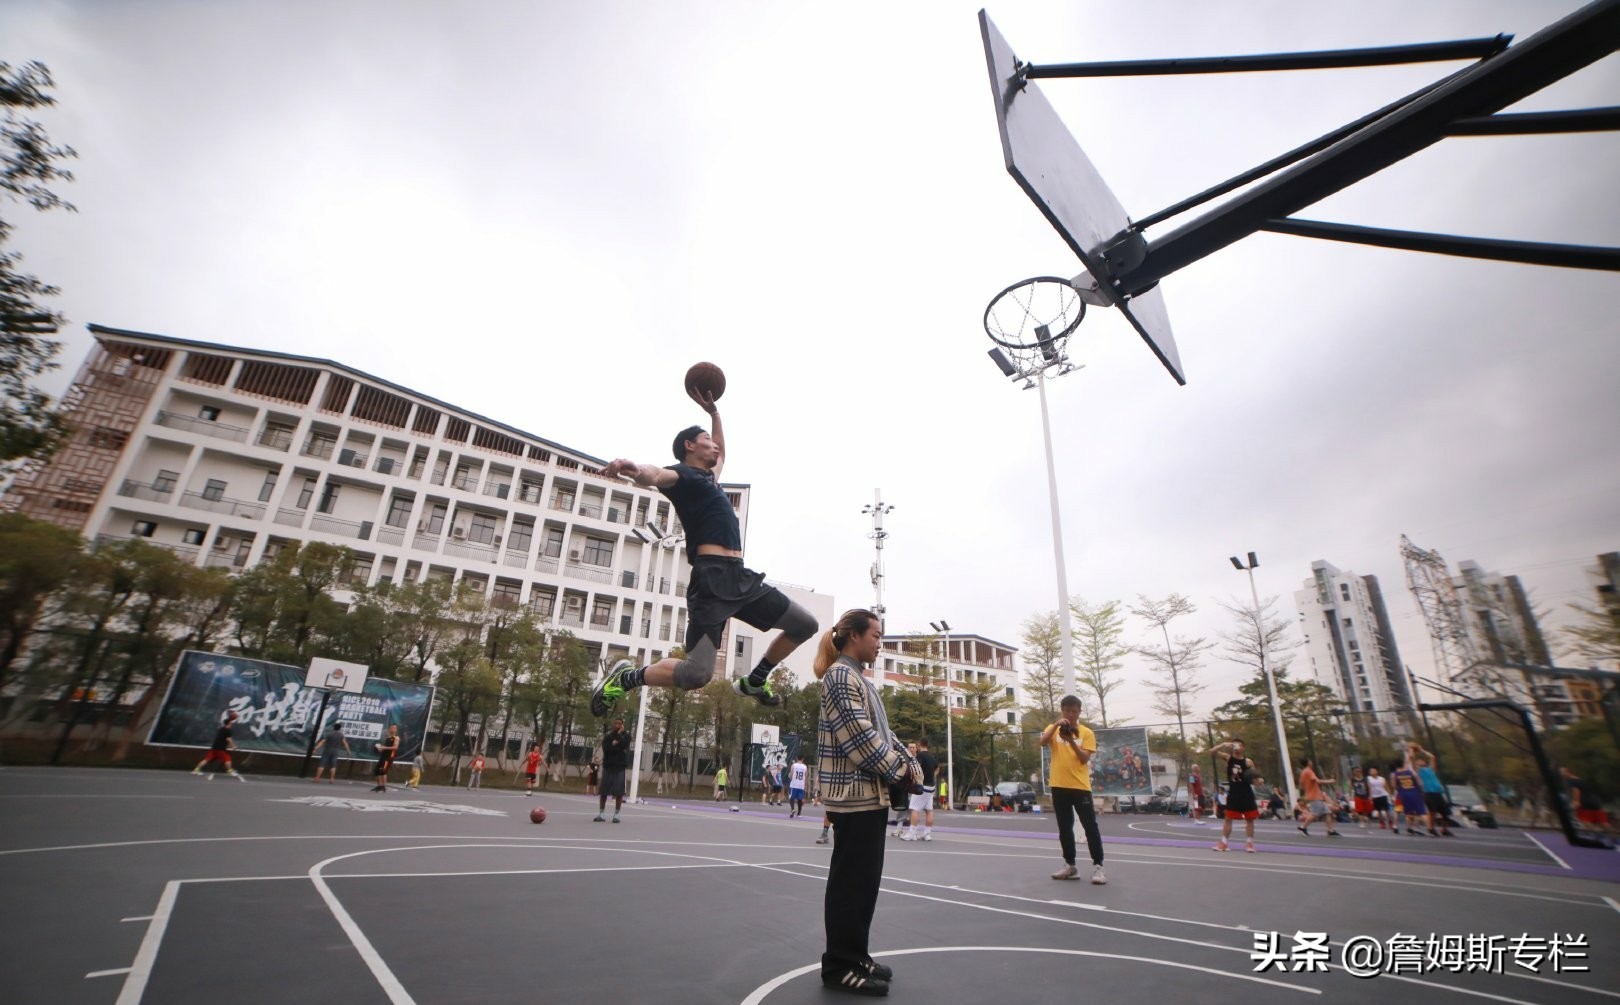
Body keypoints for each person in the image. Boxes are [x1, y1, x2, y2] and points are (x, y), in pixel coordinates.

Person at [590, 393, 820, 718]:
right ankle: (626, 679)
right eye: (707, 441)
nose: (715, 447)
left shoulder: (710, 478)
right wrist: (631, 468)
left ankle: (755, 680)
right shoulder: (682, 476)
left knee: (805, 624)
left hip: (738, 576)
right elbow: (654, 475)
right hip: (710, 582)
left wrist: (715, 413)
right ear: (689, 447)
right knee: (697, 675)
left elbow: (723, 452)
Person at [815, 609, 920, 996]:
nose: (880, 642)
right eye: (876, 635)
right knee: (850, 886)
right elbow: (861, 741)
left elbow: (885, 736)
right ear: (855, 636)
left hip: (869, 798)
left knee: (864, 886)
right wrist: (903, 772)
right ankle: (839, 966)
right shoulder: (840, 676)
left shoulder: (858, 678)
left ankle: (856, 955)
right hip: (853, 799)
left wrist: (909, 767)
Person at [1041, 694, 1106, 883]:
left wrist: (1070, 740)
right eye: (1067, 711)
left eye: (1074, 711)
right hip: (1059, 785)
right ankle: (1070, 865)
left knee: (1090, 827)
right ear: (1062, 711)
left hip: (1080, 786)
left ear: (1079, 712)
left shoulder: (1087, 733)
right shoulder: (1053, 729)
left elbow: (1084, 758)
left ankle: (1098, 867)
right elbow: (1043, 742)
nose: (1071, 714)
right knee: (1064, 827)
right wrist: (1055, 726)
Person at [1210, 738, 1259, 853]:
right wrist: (1223, 744)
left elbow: (1255, 777)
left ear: (1243, 748)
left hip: (1246, 793)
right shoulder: (1228, 758)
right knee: (1228, 818)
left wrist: (1259, 780)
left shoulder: (1248, 762)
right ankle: (1224, 843)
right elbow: (1212, 751)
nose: (1237, 747)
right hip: (1234, 793)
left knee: (1250, 819)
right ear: (1232, 746)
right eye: (1235, 745)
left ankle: (1249, 843)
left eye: (1240, 745)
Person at [1407, 743, 1454, 836]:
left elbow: (1432, 757)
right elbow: (1411, 758)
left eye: (1422, 760)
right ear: (1416, 764)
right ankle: (1430, 828)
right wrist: (1412, 750)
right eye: (1418, 761)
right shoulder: (1418, 770)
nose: (1420, 761)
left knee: (1446, 813)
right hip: (1428, 793)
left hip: (1438, 793)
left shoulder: (1431, 769)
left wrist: (1421, 750)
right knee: (1432, 812)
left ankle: (1444, 830)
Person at [596, 716, 631, 822]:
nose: (617, 725)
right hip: (608, 766)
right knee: (604, 792)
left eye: (619, 723)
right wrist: (616, 746)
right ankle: (601, 814)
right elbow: (606, 749)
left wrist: (619, 736)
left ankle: (616, 815)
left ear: (622, 725)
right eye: (615, 723)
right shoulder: (608, 736)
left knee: (619, 792)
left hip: (619, 768)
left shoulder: (627, 736)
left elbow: (624, 745)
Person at [192, 710, 244, 780]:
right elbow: (228, 739)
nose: (232, 724)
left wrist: (228, 745)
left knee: (206, 759)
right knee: (227, 758)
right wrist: (233, 746)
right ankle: (230, 771)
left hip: (214, 747)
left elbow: (222, 738)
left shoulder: (221, 729)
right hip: (220, 749)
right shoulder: (228, 730)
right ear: (229, 723)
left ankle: (196, 770)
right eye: (231, 723)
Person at [1562, 766, 1613, 834]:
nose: (1562, 774)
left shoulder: (1571, 781)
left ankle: (1596, 835)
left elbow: (1576, 790)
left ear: (1569, 772)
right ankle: (1613, 837)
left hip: (1584, 802)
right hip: (1594, 801)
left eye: (1563, 772)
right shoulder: (1579, 779)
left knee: (1584, 820)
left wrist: (1576, 801)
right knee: (1602, 821)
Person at [1296, 759, 1341, 837]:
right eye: (1310, 761)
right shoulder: (1308, 771)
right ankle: (1302, 827)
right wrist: (1330, 781)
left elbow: (1300, 784)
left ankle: (1330, 830)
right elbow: (1317, 781)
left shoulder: (1303, 772)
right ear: (1308, 763)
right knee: (1315, 814)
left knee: (1328, 812)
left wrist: (1307, 788)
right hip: (1314, 796)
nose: (1312, 762)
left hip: (1314, 795)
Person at [905, 737, 938, 841]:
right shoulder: (932, 757)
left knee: (914, 809)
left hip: (922, 786)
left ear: (919, 745)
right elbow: (937, 768)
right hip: (931, 787)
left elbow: (915, 768)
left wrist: (915, 778)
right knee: (929, 810)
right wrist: (932, 776)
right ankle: (927, 834)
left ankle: (911, 833)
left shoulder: (920, 756)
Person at [1389, 758, 1428, 835]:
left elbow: (1394, 786)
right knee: (1420, 812)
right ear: (1403, 764)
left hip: (1402, 794)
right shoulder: (1410, 772)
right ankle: (1426, 827)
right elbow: (1420, 782)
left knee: (1404, 812)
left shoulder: (1394, 774)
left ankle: (1403, 827)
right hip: (1414, 793)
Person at [371, 724, 399, 792]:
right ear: (389, 729)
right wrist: (379, 748)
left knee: (383, 771)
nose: (393, 729)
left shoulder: (396, 738)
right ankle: (379, 786)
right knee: (376, 771)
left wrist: (384, 747)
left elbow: (395, 747)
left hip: (389, 757)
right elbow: (384, 748)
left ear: (396, 730)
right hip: (383, 756)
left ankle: (383, 787)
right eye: (392, 728)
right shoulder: (387, 738)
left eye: (394, 728)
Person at [1366, 765, 1393, 829]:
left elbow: (1386, 787)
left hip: (1383, 795)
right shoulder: (1368, 779)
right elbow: (1369, 788)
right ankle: (1382, 823)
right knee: (1379, 811)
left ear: (1376, 771)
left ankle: (1390, 822)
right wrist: (1370, 796)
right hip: (1375, 796)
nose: (1372, 772)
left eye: (1373, 770)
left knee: (1387, 810)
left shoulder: (1382, 779)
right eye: (1371, 771)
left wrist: (1390, 794)